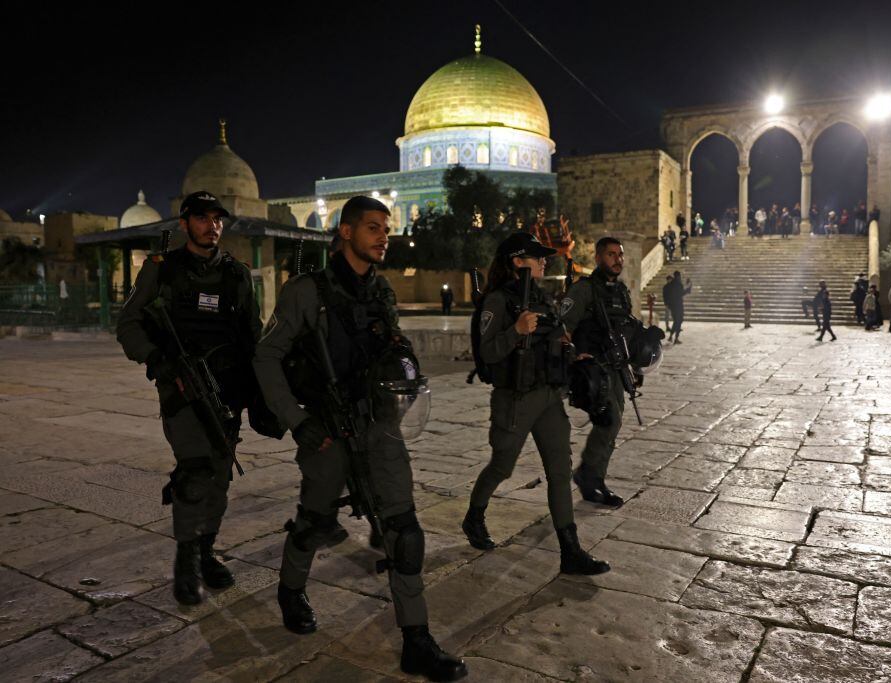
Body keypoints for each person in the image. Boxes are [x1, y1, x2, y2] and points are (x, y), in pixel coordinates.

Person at [252, 196, 466, 681]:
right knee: (314, 520)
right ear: (344, 232)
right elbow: (266, 357)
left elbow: (392, 347)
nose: (382, 236)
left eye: (384, 228)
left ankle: (416, 639)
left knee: (405, 533)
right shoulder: (307, 292)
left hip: (378, 428)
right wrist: (297, 420)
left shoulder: (381, 292)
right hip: (325, 430)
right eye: (372, 227)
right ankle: (291, 590)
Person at [116, 191, 262, 606]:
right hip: (182, 388)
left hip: (227, 392)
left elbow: (253, 336)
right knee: (195, 471)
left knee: (219, 476)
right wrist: (157, 360)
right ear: (185, 224)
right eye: (202, 218)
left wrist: (261, 393)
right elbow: (128, 325)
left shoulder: (236, 274)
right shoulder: (162, 270)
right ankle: (185, 560)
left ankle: (205, 550)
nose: (211, 225)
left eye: (217, 219)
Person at [461, 232, 610, 577]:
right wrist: (515, 330)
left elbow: (555, 341)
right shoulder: (498, 301)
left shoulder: (541, 299)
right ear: (517, 261)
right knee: (502, 467)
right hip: (514, 399)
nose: (545, 260)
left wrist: (573, 354)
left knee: (560, 472)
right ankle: (474, 515)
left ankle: (570, 552)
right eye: (537, 256)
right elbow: (487, 352)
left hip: (547, 397)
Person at [561, 237, 635, 507]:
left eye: (620, 255)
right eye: (611, 254)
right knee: (609, 422)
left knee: (613, 426)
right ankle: (587, 476)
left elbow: (625, 328)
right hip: (593, 370)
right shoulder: (584, 291)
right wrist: (573, 357)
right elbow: (563, 328)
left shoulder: (620, 292)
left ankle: (595, 478)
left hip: (616, 368)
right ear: (599, 258)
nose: (618, 260)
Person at [663, 271, 691, 343]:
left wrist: (668, 304)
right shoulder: (678, 284)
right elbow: (681, 293)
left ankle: (671, 336)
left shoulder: (670, 285)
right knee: (679, 321)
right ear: (678, 276)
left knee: (676, 321)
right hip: (678, 306)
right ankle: (675, 338)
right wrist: (688, 288)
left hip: (672, 307)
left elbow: (667, 294)